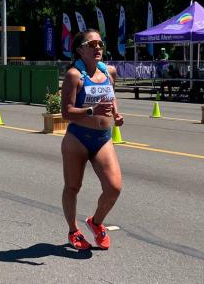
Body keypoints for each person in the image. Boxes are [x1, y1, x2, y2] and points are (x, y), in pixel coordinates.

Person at [60, 29, 124, 250]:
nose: (98, 47)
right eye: (92, 44)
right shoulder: (74, 76)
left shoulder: (110, 72)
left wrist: (116, 113)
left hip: (102, 139)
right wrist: (91, 110)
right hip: (77, 139)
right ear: (80, 50)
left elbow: (111, 95)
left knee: (114, 188)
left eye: (100, 43)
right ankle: (73, 231)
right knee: (72, 187)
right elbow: (66, 112)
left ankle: (95, 222)